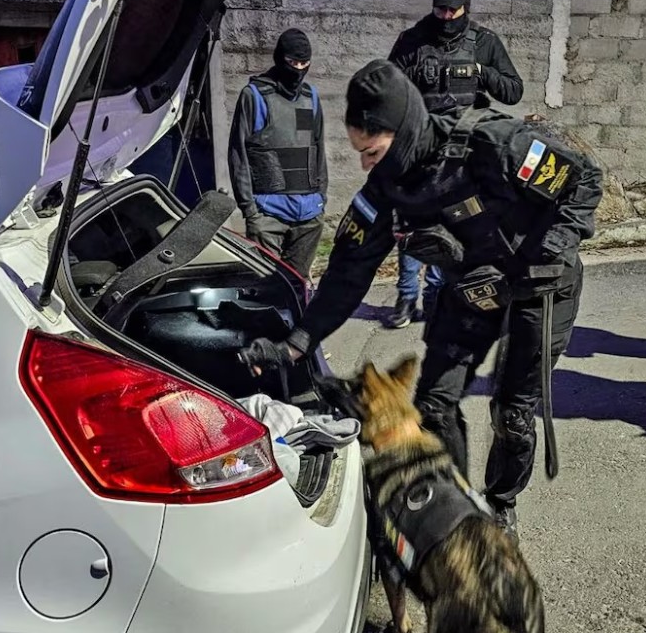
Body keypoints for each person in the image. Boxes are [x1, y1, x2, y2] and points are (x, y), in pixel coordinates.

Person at [241, 61, 602, 536]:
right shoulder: (385, 190)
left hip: (539, 288)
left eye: (372, 151)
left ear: (404, 131)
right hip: (471, 290)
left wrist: (547, 249)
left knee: (513, 414)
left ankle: (500, 502)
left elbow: (582, 181)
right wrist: (296, 343)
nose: (365, 165)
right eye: (360, 154)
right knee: (434, 406)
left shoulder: (494, 145)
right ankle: (462, 513)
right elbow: (347, 271)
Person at [383, 0, 525, 329]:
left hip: (464, 153)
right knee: (413, 225)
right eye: (441, 9)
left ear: (465, 7)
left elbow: (513, 91)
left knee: (453, 225)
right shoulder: (413, 40)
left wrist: (481, 72)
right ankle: (406, 297)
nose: (446, 17)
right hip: (421, 150)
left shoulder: (484, 41)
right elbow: (387, 90)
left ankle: (435, 296)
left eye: (453, 11)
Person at [228, 28, 327, 281]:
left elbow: (316, 150)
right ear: (280, 59)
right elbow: (239, 156)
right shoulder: (255, 96)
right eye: (293, 62)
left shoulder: (310, 98)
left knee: (298, 286)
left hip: (309, 217)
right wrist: (250, 211)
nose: (298, 69)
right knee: (267, 288)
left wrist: (321, 200)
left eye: (304, 63)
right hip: (268, 216)